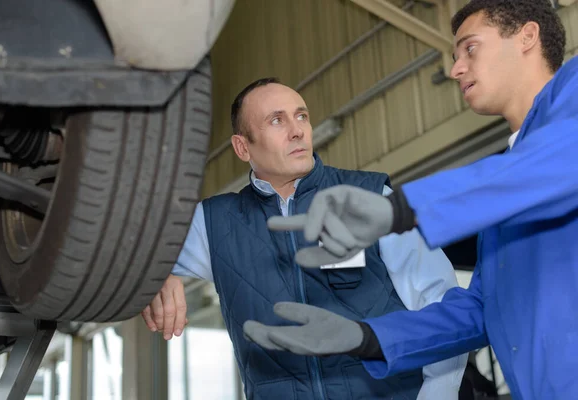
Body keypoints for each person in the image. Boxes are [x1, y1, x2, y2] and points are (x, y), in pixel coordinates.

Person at [243, 1, 578, 399]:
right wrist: (367, 337)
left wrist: (398, 209)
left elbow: (561, 160)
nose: (455, 69)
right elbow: (480, 311)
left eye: (470, 49)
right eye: (455, 57)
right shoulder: (504, 199)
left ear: (527, 36)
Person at [141, 77, 468, 399]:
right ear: (243, 147)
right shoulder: (212, 223)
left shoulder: (369, 199)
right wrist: (158, 271)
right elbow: (123, 256)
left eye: (301, 116)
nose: (297, 130)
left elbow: (438, 301)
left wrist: (437, 394)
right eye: (276, 120)